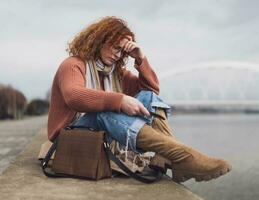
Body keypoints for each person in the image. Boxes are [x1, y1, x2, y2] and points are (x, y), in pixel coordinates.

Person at [47, 16, 232, 182]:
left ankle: (168, 158)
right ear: (99, 40)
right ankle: (184, 157)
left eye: (122, 52)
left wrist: (141, 59)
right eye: (115, 47)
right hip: (69, 138)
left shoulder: (116, 74)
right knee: (105, 111)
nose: (118, 55)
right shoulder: (73, 65)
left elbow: (152, 91)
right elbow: (74, 97)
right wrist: (120, 101)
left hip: (98, 136)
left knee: (147, 96)